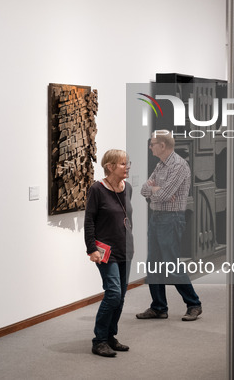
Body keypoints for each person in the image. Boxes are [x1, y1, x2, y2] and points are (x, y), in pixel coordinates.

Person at [136, 131, 202, 321]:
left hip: (171, 218)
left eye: (152, 144)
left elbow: (165, 196)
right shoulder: (160, 165)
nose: (150, 147)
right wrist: (156, 189)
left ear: (162, 145)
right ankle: (158, 307)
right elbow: (143, 189)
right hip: (156, 217)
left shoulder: (179, 165)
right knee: (153, 264)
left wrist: (155, 190)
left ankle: (194, 304)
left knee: (171, 265)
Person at [84, 149, 134, 357]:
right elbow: (89, 221)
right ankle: (99, 340)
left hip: (126, 248)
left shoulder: (127, 188)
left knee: (120, 297)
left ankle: (110, 336)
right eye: (123, 164)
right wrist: (91, 249)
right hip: (106, 251)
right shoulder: (97, 189)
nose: (127, 167)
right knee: (113, 293)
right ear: (110, 166)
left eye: (127, 163)